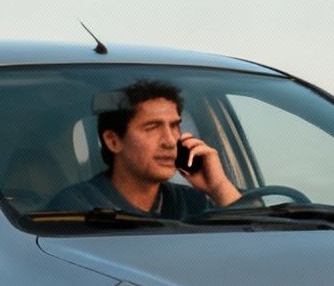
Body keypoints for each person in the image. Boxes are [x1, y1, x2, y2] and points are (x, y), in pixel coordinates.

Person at [42, 79, 241, 218]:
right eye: (152, 127)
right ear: (113, 141)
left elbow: (252, 238)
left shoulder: (192, 203)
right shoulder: (76, 207)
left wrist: (219, 187)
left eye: (174, 126)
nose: (170, 141)